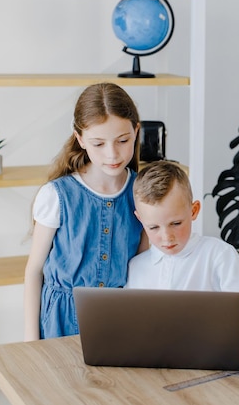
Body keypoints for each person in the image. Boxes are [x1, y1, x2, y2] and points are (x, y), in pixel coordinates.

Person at [24, 83, 147, 340]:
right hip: (60, 322)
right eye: (98, 143)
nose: (112, 154)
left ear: (136, 132)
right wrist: (30, 340)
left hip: (120, 318)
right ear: (80, 139)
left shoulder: (142, 192)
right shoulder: (56, 195)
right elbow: (34, 271)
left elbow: (143, 267)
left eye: (122, 141)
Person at [125, 160, 239, 323]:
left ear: (194, 210)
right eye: (154, 227)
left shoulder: (218, 253)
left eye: (176, 224)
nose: (167, 237)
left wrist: (207, 322)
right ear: (140, 220)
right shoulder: (136, 266)